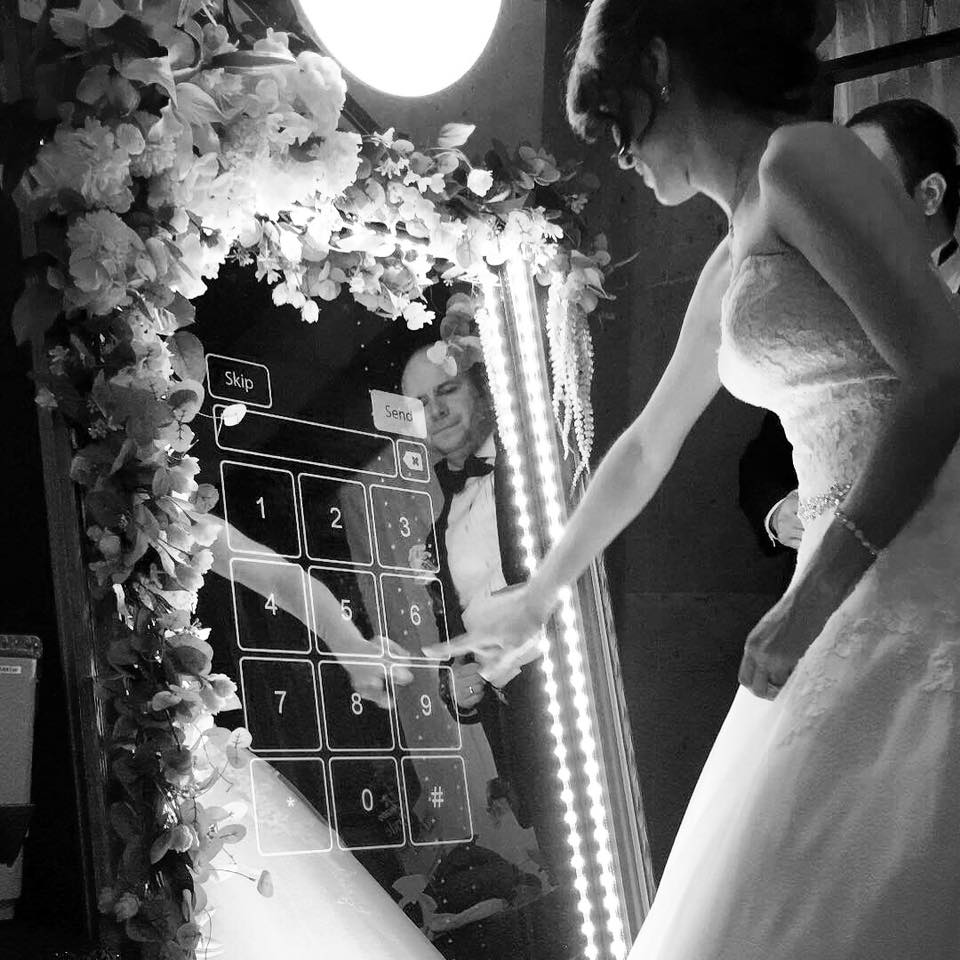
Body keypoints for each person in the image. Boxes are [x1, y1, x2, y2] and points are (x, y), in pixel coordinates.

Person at [431, 0, 960, 956]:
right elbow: (643, 445)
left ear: (661, 67)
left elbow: (943, 373)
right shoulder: (731, 253)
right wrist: (541, 592)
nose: (616, 153)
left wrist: (819, 596)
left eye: (612, 119)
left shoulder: (804, 161)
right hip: (839, 585)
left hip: (911, 563)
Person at [741, 97, 960, 554]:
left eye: (866, 180)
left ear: (931, 193)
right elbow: (766, 455)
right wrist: (778, 513)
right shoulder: (824, 297)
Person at [401, 345, 569, 885]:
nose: (438, 411)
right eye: (422, 403)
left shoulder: (535, 463)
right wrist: (460, 688)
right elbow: (460, 651)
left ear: (479, 390)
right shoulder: (439, 527)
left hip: (580, 684)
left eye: (446, 391)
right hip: (524, 725)